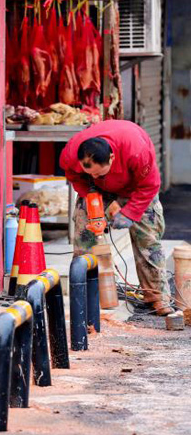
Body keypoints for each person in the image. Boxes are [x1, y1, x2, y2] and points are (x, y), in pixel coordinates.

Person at [60, 119, 173, 316]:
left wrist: (129, 213)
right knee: (85, 234)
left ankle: (157, 296)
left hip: (137, 188)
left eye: (98, 172)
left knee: (147, 239)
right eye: (90, 172)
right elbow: (74, 176)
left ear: (111, 157)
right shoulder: (70, 155)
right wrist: (93, 195)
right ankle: (88, 294)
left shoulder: (136, 151)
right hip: (96, 190)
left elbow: (149, 185)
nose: (94, 175)